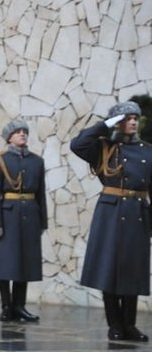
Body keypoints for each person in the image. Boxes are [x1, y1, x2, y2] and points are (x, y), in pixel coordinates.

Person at [71, 101, 152, 342]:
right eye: (127, 118)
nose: (133, 122)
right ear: (118, 122)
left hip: (138, 214)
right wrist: (104, 125)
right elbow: (77, 144)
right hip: (110, 215)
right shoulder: (103, 148)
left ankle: (130, 325)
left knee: (132, 271)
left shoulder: (148, 151)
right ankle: (114, 324)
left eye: (135, 118)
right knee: (109, 270)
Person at [0, 120, 47, 323]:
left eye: (24, 131)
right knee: (5, 263)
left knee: (25, 262)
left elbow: (41, 194)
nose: (22, 134)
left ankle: (19, 306)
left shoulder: (36, 161)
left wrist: (42, 221)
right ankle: (6, 306)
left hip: (30, 215)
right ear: (9, 137)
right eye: (18, 132)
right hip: (8, 216)